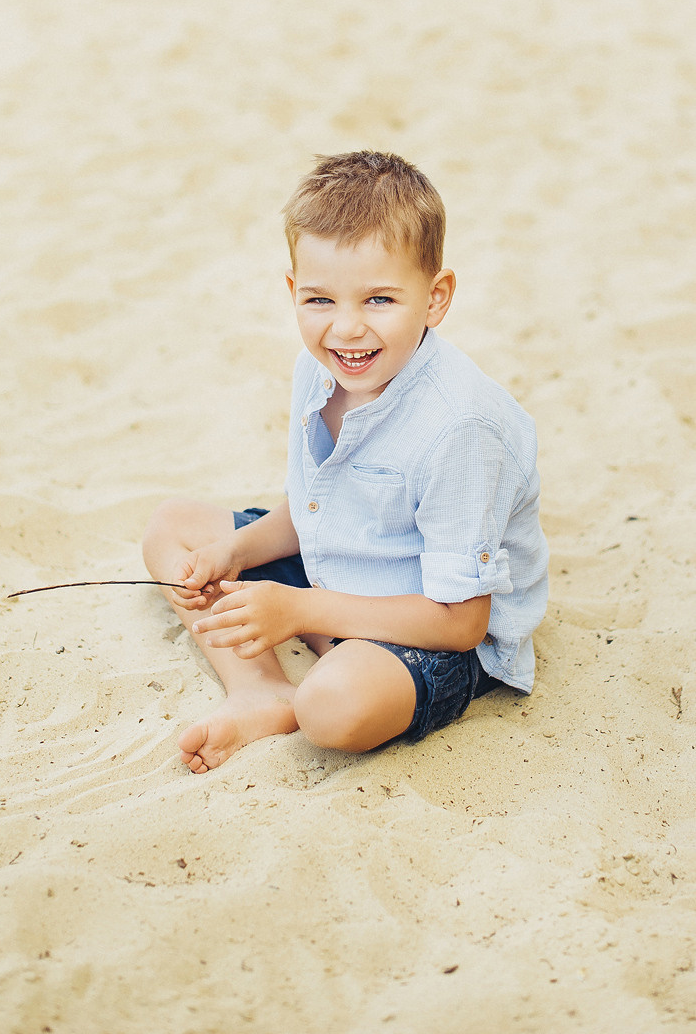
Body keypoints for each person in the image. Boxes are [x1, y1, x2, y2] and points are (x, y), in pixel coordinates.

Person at [143, 151, 548, 774]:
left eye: (379, 299)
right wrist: (236, 551)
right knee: (173, 528)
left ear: (435, 298)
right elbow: (317, 508)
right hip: (340, 568)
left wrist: (299, 610)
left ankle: (319, 665)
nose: (347, 328)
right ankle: (260, 688)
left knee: (332, 709)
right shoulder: (319, 368)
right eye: (320, 300)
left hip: (429, 622)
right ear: (293, 292)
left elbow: (463, 622)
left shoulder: (458, 429)